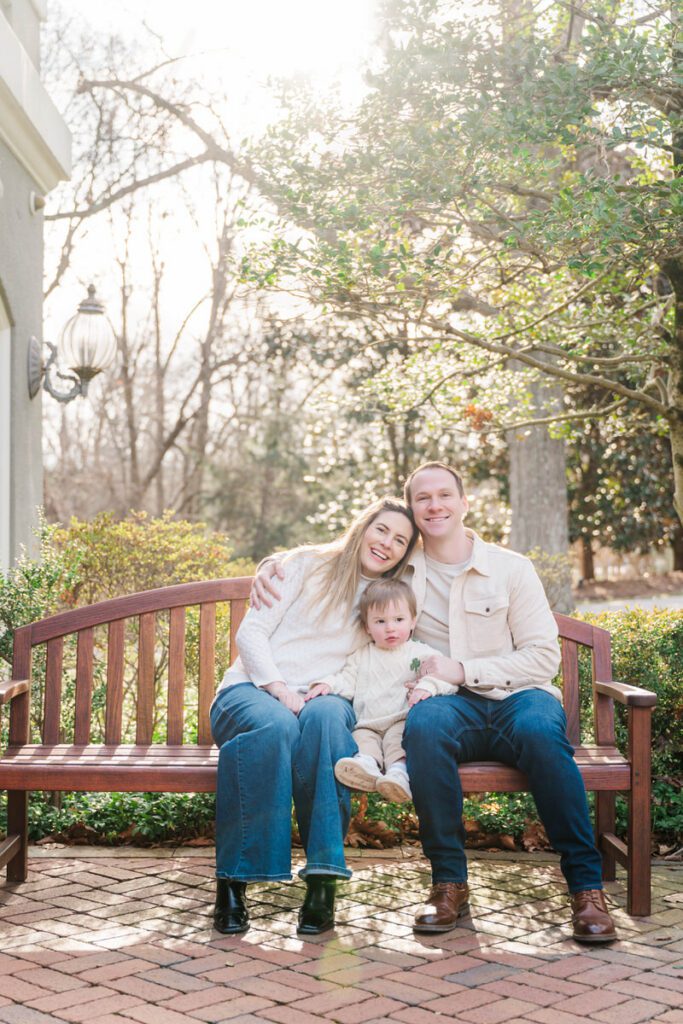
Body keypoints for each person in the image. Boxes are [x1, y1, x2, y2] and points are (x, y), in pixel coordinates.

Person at [252, 462, 617, 944]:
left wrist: (465, 670)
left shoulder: (510, 568)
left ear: (464, 503)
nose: (435, 505)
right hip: (445, 705)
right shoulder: (403, 569)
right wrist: (271, 564)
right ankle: (449, 882)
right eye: (423, 499)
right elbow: (340, 560)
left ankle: (586, 890)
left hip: (517, 697)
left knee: (541, 734)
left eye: (445, 495)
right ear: (415, 511)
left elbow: (543, 656)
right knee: (422, 727)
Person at [210, 497, 419, 937]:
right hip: (251, 690)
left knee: (326, 721)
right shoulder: (303, 565)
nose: (387, 544)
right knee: (276, 724)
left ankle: (323, 881)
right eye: (382, 530)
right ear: (363, 526)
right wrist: (279, 689)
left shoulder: (383, 596)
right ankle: (234, 881)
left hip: (325, 696)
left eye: (400, 540)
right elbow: (252, 633)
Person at [305, 578, 453, 803]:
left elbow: (447, 679)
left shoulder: (420, 654)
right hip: (367, 723)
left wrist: (427, 686)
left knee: (397, 744)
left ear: (413, 621)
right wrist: (328, 684)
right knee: (362, 741)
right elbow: (347, 681)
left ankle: (398, 774)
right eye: (380, 621)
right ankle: (367, 766)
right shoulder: (361, 655)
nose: (390, 628)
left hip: (399, 720)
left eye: (399, 620)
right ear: (367, 626)